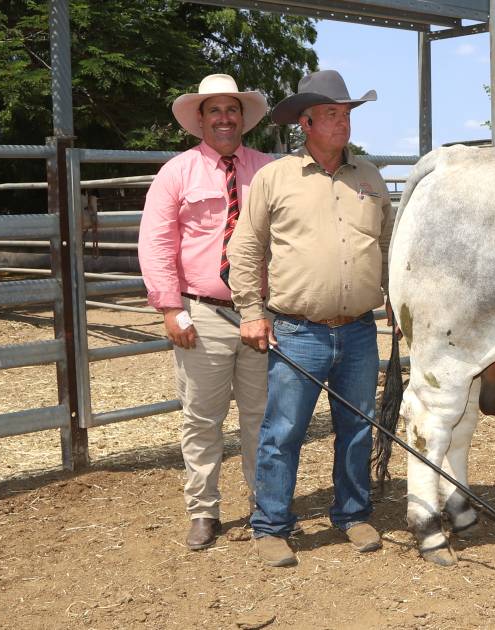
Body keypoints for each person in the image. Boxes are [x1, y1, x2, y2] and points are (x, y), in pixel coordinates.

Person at [227, 69, 394, 568]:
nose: (342, 123)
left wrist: (399, 304)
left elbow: (386, 245)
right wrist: (251, 312)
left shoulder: (368, 175)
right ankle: (272, 525)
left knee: (358, 426)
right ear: (306, 122)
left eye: (345, 114)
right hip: (297, 329)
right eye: (331, 115)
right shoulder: (275, 178)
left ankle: (352, 513)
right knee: (284, 431)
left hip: (361, 328)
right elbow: (246, 247)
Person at [138, 73, 273, 550]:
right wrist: (170, 307)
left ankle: (266, 506)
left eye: (231, 109)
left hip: (259, 311)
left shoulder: (268, 170)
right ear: (200, 119)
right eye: (214, 110)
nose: (224, 118)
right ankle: (203, 509)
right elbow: (156, 242)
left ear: (243, 118)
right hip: (205, 311)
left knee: (262, 415)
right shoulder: (177, 172)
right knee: (202, 417)